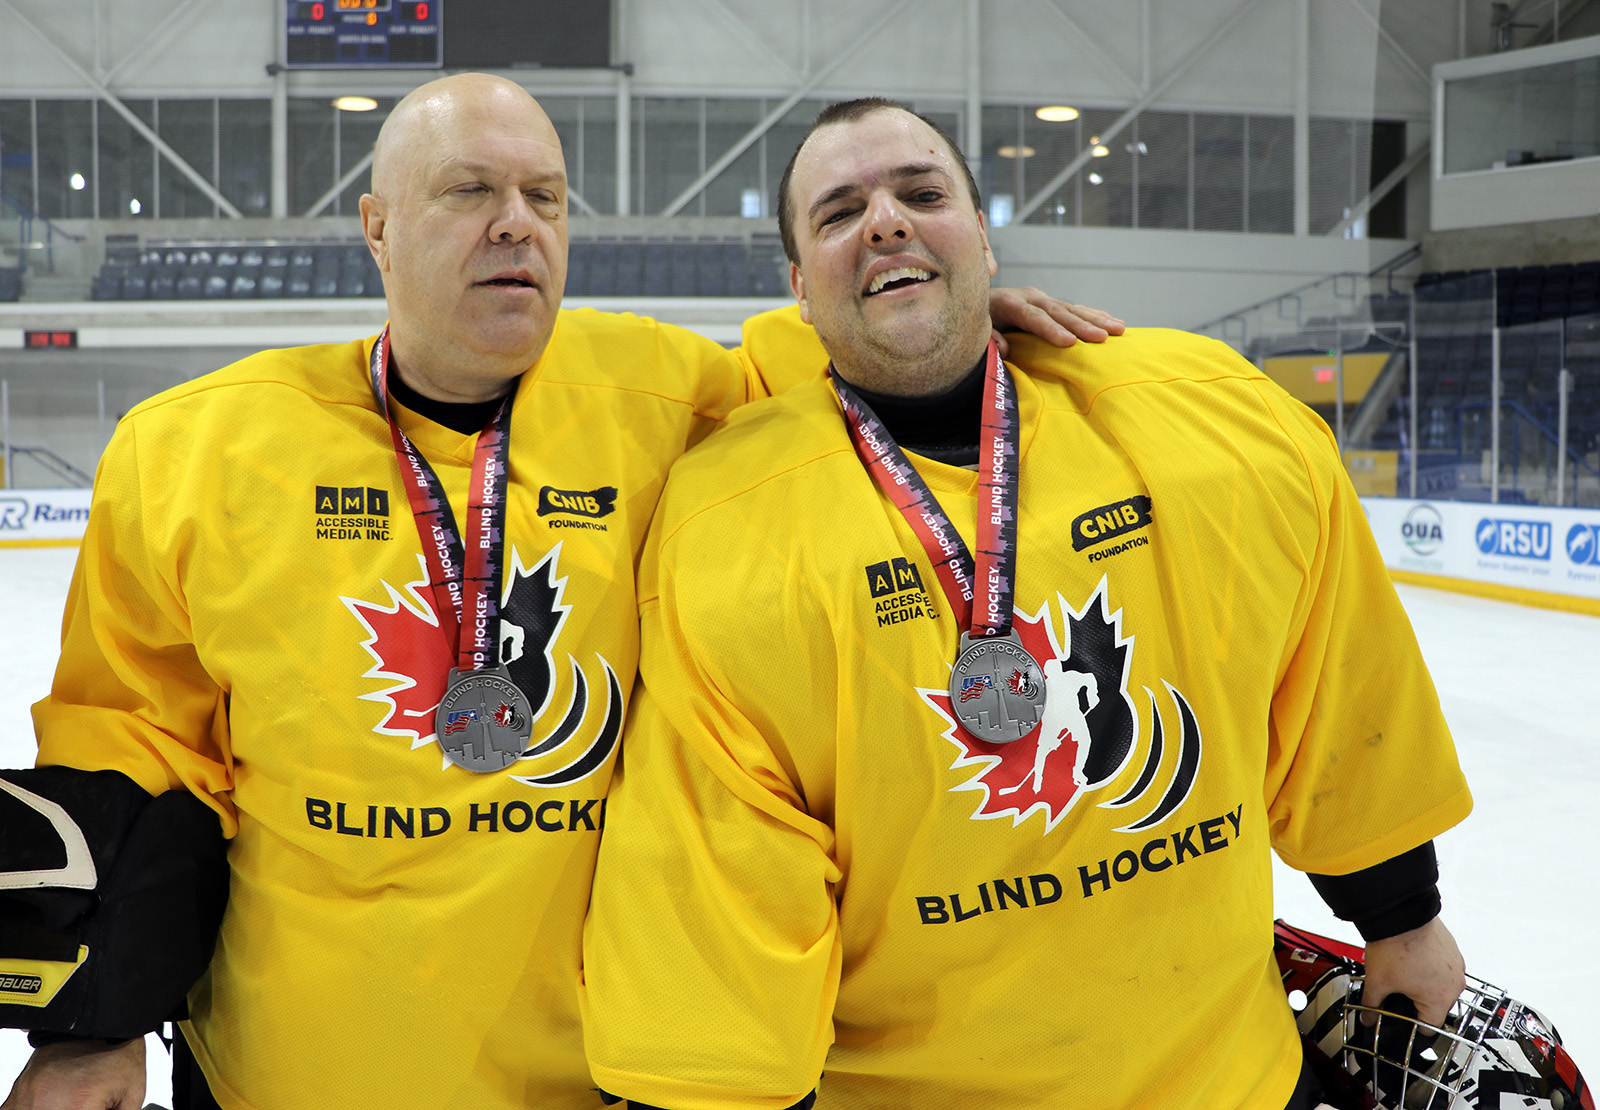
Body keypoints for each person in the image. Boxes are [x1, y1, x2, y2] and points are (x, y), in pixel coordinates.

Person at [0, 77, 1118, 1110]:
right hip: (291, 1080)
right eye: (470, 191)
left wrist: (940, 302)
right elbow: (136, 742)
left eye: (545, 196)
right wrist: (88, 1024)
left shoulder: (672, 397)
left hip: (609, 1083)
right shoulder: (200, 450)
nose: (516, 223)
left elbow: (865, 375)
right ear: (376, 227)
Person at [579, 98, 1474, 1110]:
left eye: (922, 194)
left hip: (1228, 1083)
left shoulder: (1205, 422)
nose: (885, 221)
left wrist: (1401, 915)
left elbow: (1336, 684)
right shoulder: (730, 527)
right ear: (795, 289)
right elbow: (719, 875)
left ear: (985, 243)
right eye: (838, 215)